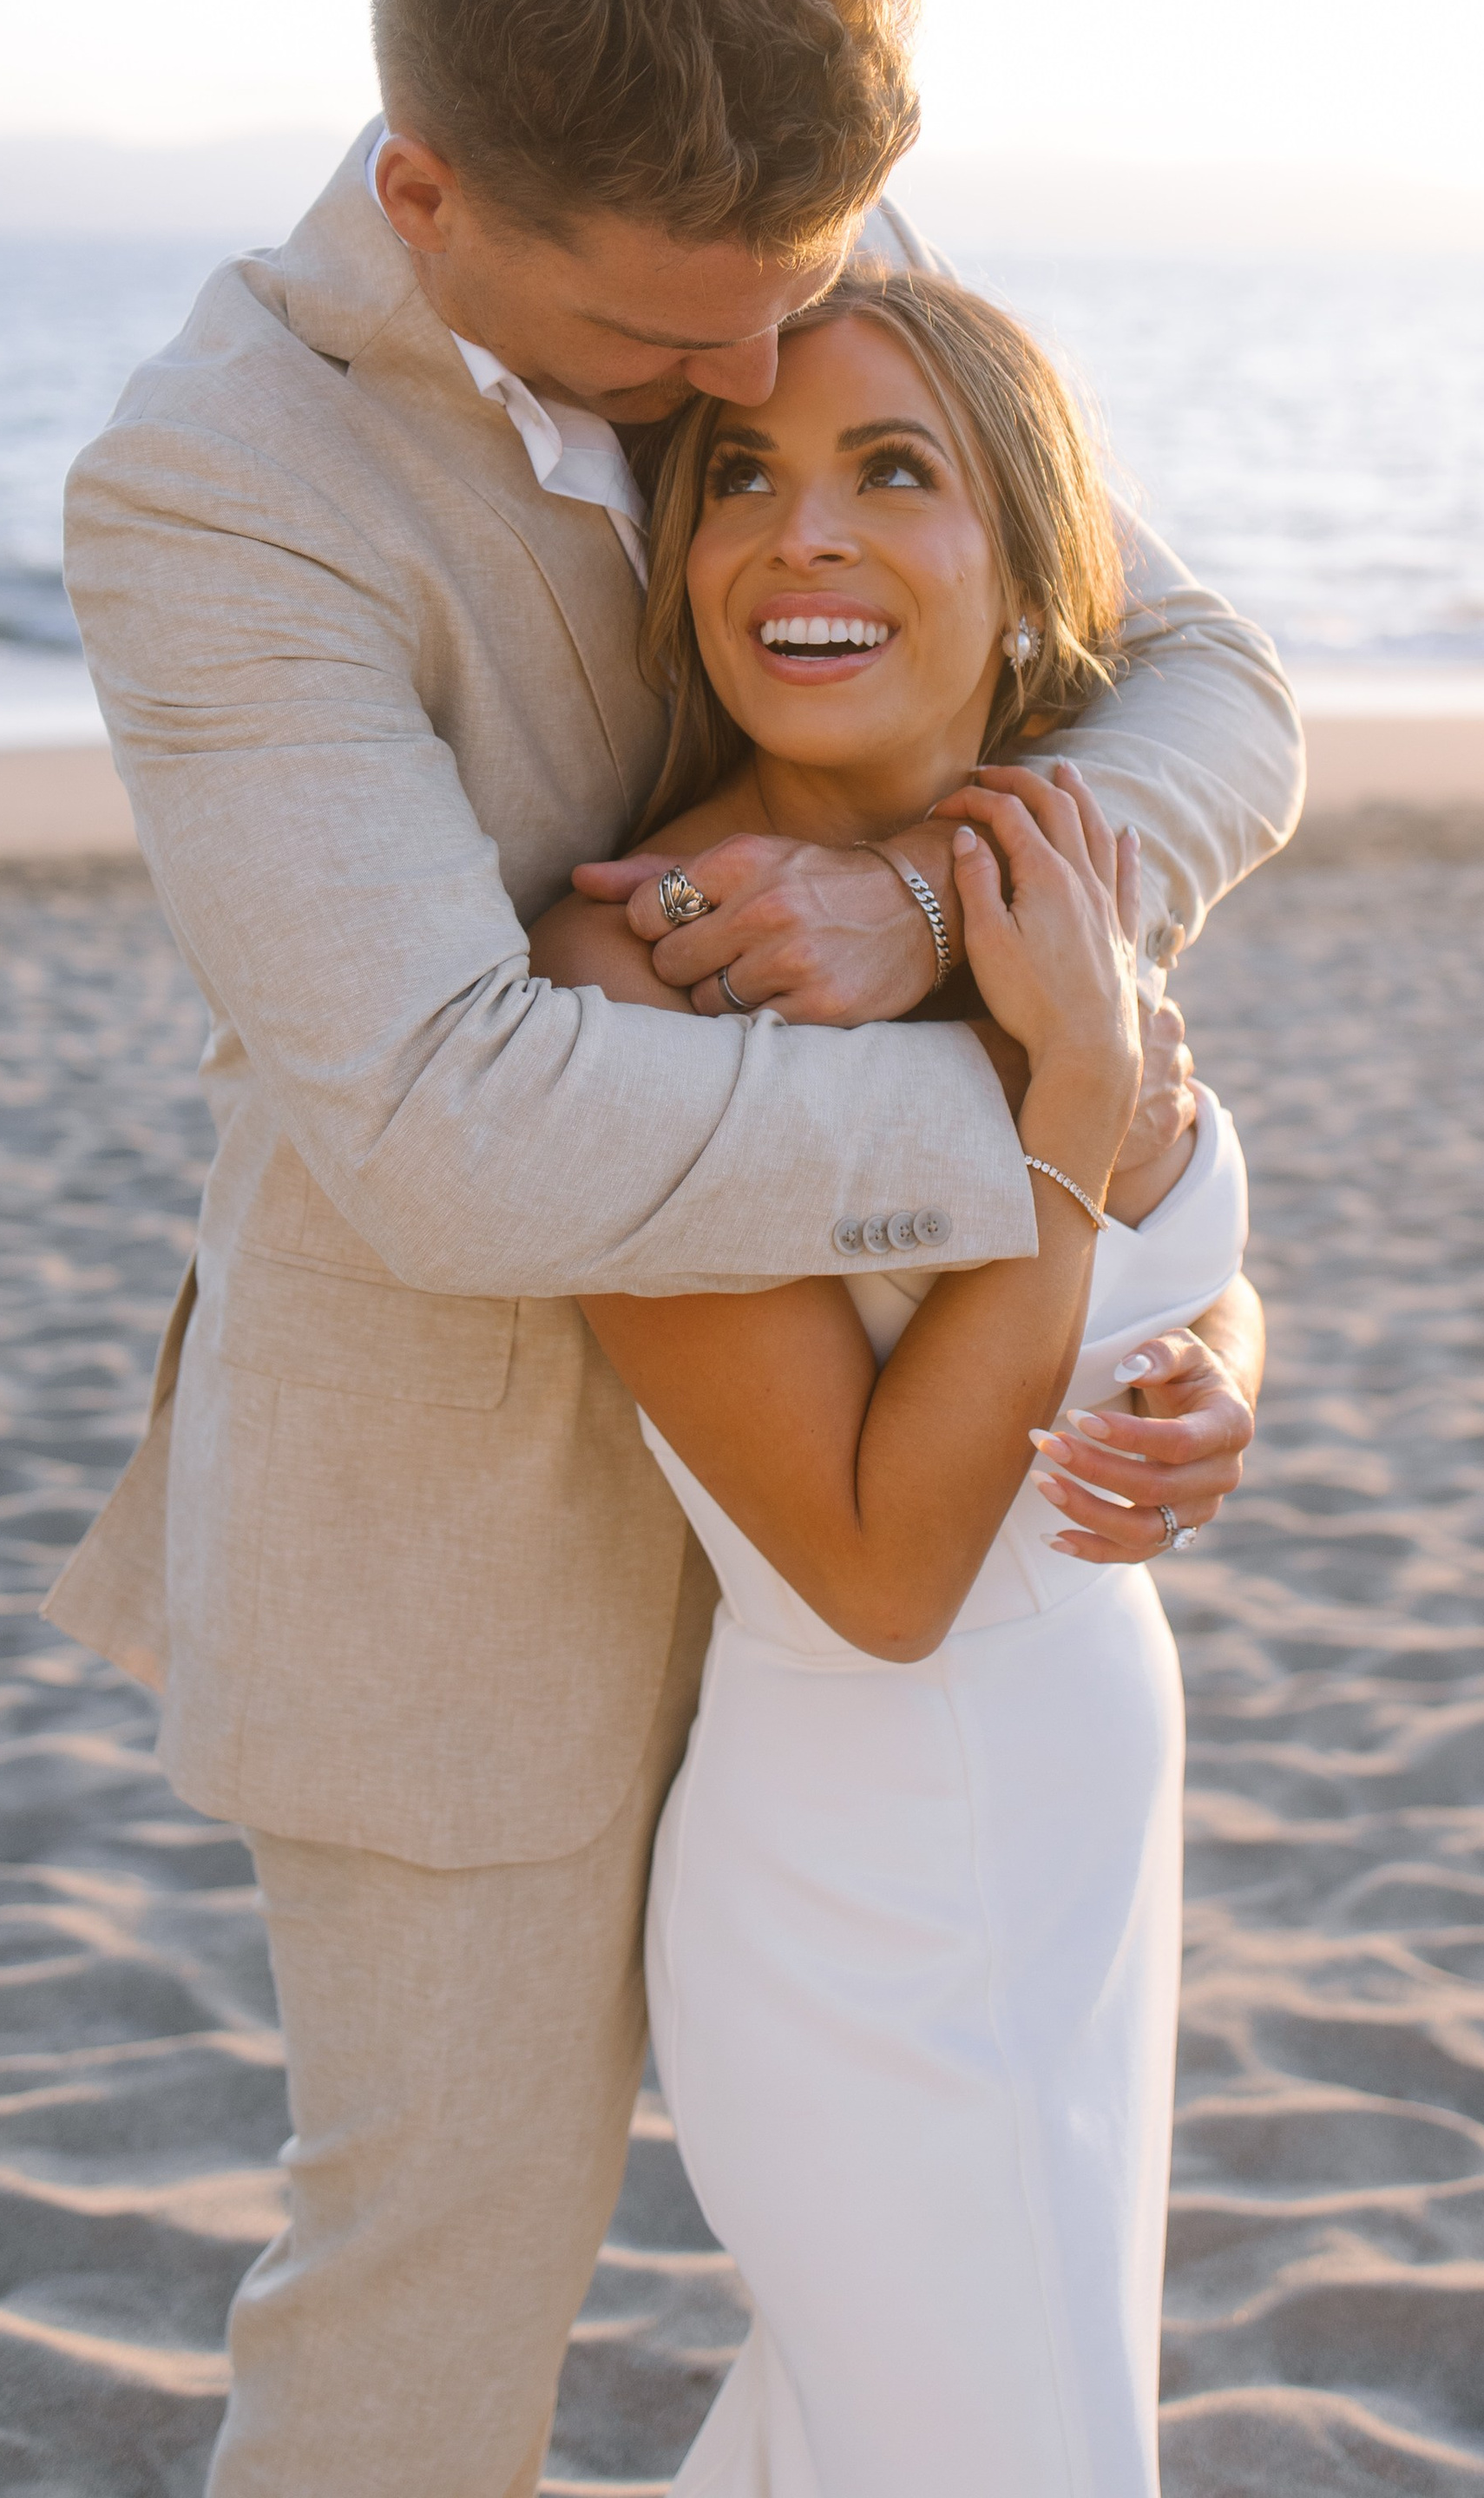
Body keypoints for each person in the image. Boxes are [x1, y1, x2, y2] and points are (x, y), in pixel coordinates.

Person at [43, 0, 1302, 2498]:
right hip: (452, 1551)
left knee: (914, 2332)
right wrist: (1033, 1104)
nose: (759, 383)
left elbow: (1195, 676)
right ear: (427, 191)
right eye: (675, 349)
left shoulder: (766, 236)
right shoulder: (211, 490)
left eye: (810, 293)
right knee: (439, 2304)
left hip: (909, 1524)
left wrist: (950, 912)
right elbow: (454, 1126)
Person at [531, 264, 1256, 2491]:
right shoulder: (634, 964)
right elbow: (869, 1566)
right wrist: (1062, 1106)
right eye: (740, 475)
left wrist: (1220, 1374)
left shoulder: (1043, 875)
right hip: (875, 1855)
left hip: (1081, 1799)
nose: (798, 533)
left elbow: (1183, 1249)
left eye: (891, 472)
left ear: (1028, 571)